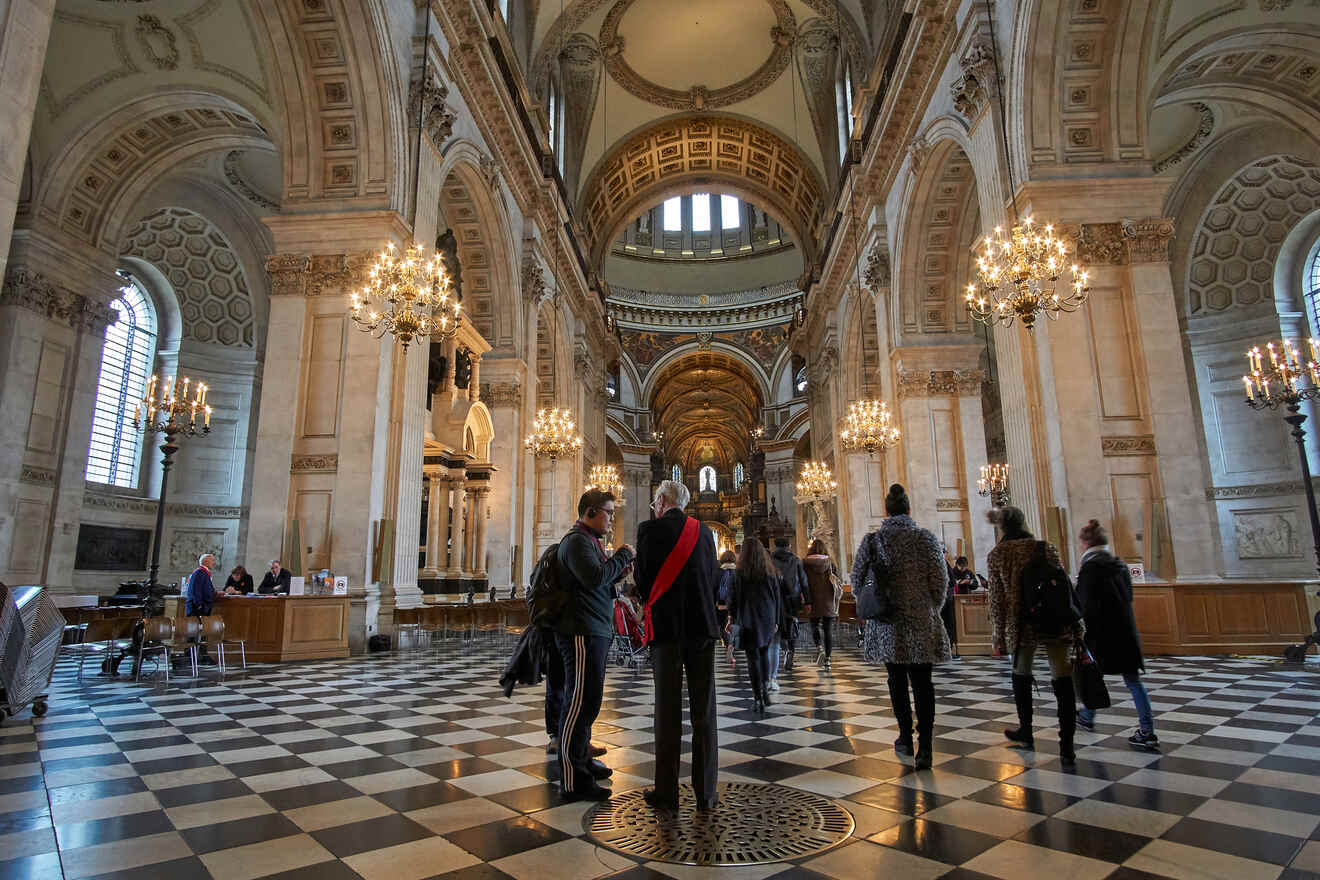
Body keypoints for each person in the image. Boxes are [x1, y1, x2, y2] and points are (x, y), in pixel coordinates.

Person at [635, 479, 721, 812]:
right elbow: (713, 578)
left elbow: (642, 581)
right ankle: (706, 794)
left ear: (660, 500)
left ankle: (667, 793)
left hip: (667, 632)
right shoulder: (703, 532)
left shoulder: (648, 531)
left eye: (655, 502)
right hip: (702, 629)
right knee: (705, 712)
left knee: (667, 712)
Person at [852, 484, 951, 770]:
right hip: (921, 621)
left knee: (896, 682)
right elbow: (941, 582)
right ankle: (927, 747)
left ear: (886, 511)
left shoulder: (874, 541)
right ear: (909, 510)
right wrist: (928, 606)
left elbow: (858, 583)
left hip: (887, 624)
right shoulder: (926, 540)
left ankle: (905, 737)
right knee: (923, 684)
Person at [987, 505, 1084, 767]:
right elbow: (1064, 586)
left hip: (1022, 625)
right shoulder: (1045, 547)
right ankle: (1067, 744)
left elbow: (996, 599)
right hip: (1056, 621)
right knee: (1062, 679)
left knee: (1021, 675)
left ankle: (1026, 729)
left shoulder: (998, 554)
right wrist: (1077, 625)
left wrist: (997, 633)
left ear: (1003, 527)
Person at [554, 489, 635, 801]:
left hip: (593, 629)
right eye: (608, 512)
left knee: (590, 700)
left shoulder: (588, 542)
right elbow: (594, 577)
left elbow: (599, 580)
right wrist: (622, 557)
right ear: (590, 512)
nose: (612, 519)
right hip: (580, 631)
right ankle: (573, 778)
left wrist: (618, 569)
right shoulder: (576, 541)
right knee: (578, 703)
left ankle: (583, 760)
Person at [1074, 519, 1158, 751]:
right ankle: (1147, 730)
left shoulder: (1090, 568)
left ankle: (1088, 715)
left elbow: (1084, 604)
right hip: (1125, 632)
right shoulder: (1119, 565)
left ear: (1086, 543)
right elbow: (1128, 597)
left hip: (1101, 633)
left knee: (1091, 674)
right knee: (1133, 682)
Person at [727, 537, 783, 714]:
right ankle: (765, 692)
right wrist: (776, 620)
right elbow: (777, 599)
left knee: (753, 659)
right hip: (767, 618)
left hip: (748, 619)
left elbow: (732, 599)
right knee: (764, 653)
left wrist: (733, 617)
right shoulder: (770, 572)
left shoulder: (739, 573)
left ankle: (757, 697)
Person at [768, 536, 807, 686]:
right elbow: (803, 580)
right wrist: (808, 600)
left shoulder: (770, 560)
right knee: (791, 624)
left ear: (775, 545)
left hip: (775, 598)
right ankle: (790, 650)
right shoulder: (796, 560)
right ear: (789, 546)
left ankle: (782, 649)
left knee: (777, 628)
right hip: (793, 597)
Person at [802, 539, 841, 669]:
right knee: (828, 629)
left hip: (812, 599)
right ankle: (828, 659)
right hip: (828, 599)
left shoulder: (805, 563)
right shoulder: (830, 562)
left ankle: (819, 647)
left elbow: (803, 582)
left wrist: (806, 599)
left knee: (814, 625)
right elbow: (837, 578)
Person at [185, 553, 218, 666]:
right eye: (212, 560)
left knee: (202, 633)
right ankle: (191, 657)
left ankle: (200, 656)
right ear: (205, 562)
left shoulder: (204, 573)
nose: (214, 562)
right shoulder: (200, 572)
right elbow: (196, 591)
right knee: (194, 632)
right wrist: (200, 606)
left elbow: (206, 589)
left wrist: (215, 593)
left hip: (202, 608)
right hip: (197, 609)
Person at [716, 549, 737, 665]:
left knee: (722, 627)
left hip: (720, 604)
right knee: (732, 625)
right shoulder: (738, 571)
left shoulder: (718, 571)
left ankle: (726, 643)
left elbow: (714, 586)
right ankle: (731, 645)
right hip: (733, 604)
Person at [942, 559, 959, 658]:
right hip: (946, 598)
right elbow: (952, 582)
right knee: (949, 625)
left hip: (932, 601)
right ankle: (948, 650)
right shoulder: (942, 561)